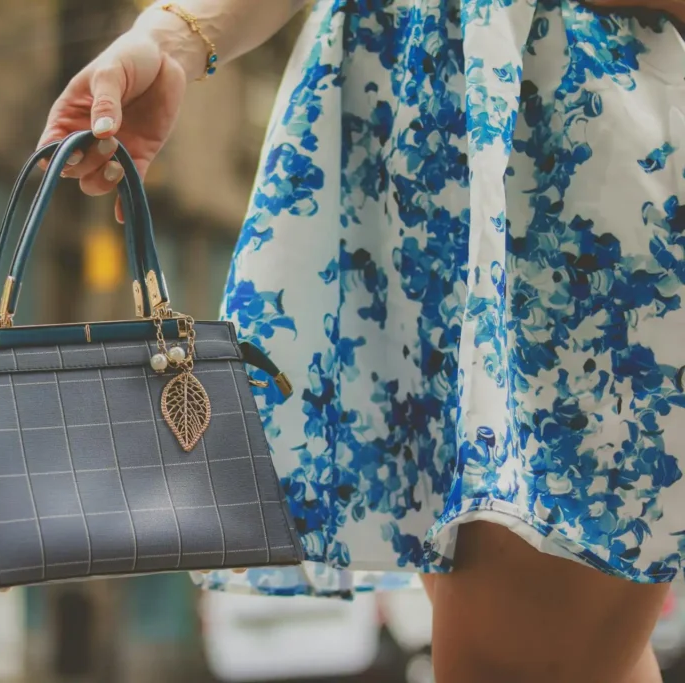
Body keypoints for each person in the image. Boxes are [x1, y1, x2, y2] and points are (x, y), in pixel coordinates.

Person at [38, 0, 685, 680]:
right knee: (559, 655)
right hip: (396, 182)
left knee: (527, 658)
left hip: (563, 168)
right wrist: (169, 38)